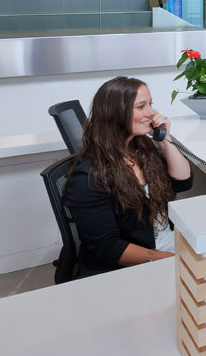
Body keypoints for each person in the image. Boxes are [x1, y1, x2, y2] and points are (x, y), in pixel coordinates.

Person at [65, 76, 193, 275]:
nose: (152, 113)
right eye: (141, 106)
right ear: (115, 113)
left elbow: (184, 182)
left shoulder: (141, 147)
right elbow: (108, 247)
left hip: (167, 247)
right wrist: (173, 261)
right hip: (135, 266)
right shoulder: (88, 177)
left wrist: (164, 139)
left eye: (150, 104)